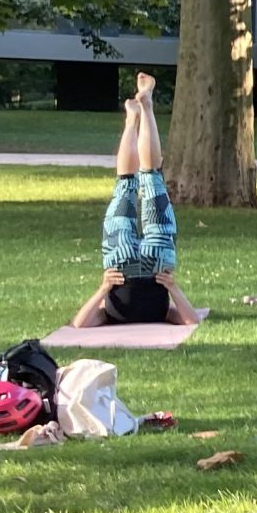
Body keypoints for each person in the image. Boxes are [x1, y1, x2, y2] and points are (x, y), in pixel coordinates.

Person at [70, 75, 202, 330]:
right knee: (127, 183)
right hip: (132, 264)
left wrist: (104, 288)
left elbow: (80, 324)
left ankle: (143, 110)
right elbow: (191, 320)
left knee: (150, 178)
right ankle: (137, 115)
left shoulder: (109, 313)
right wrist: (171, 287)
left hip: (149, 264)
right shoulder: (140, 313)